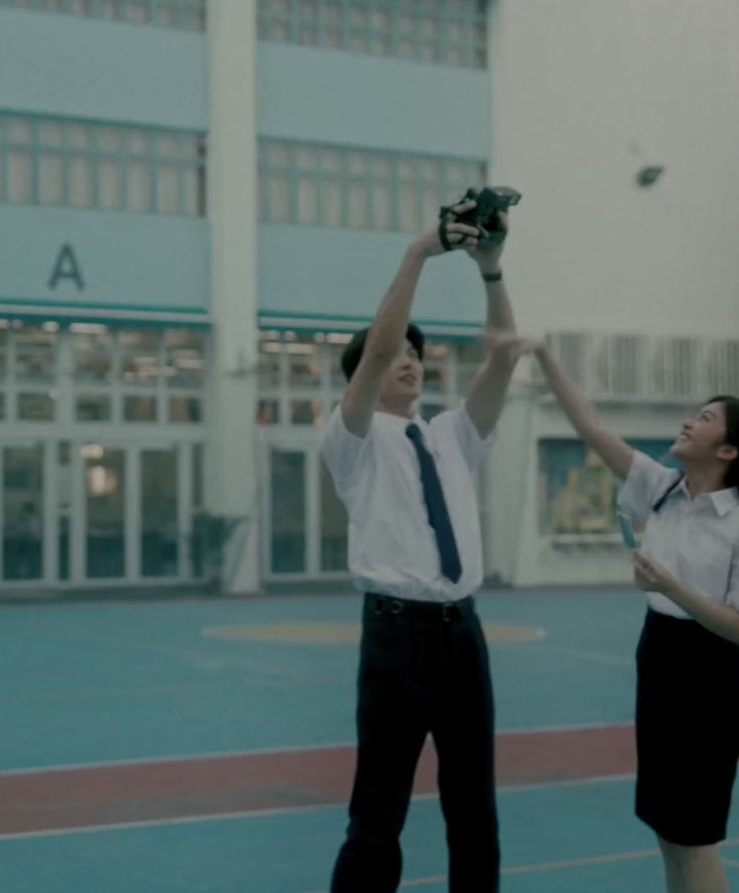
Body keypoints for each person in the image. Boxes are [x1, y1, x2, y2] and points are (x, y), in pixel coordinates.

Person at [527, 338, 739, 893]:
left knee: (695, 840)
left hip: (708, 676)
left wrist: (668, 583)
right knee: (668, 833)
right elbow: (592, 427)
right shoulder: (664, 488)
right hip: (660, 659)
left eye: (705, 418)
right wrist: (546, 357)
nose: (690, 423)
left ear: (730, 451)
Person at [320, 199, 522, 893]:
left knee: (476, 812)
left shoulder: (451, 436)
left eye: (415, 354)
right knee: (378, 815)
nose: (406, 361)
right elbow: (375, 349)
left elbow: (501, 362)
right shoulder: (351, 438)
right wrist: (419, 252)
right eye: (396, 355)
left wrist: (490, 271)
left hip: (462, 632)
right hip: (396, 634)